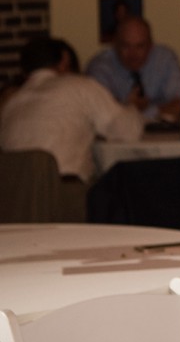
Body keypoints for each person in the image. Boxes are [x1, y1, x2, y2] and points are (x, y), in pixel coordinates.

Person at [0, 36, 143, 217]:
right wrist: (132, 107)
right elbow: (128, 131)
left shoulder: (11, 102)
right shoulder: (79, 86)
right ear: (65, 59)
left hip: (11, 201)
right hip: (62, 198)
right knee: (125, 195)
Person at [86, 15, 180, 122]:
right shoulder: (100, 67)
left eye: (140, 46)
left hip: (164, 133)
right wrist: (131, 108)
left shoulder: (165, 59)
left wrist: (140, 111)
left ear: (151, 45)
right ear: (114, 44)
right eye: (126, 46)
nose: (133, 54)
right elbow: (97, 113)